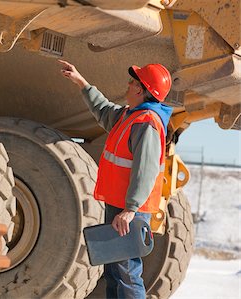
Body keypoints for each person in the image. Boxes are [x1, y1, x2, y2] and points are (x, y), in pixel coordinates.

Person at [59, 60, 173, 299]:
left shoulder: (147, 123)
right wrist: (81, 81)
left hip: (130, 210)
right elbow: (103, 111)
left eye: (133, 81)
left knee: (127, 272)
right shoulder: (131, 116)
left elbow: (145, 170)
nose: (128, 84)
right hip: (120, 206)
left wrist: (130, 209)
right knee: (114, 270)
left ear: (141, 90)